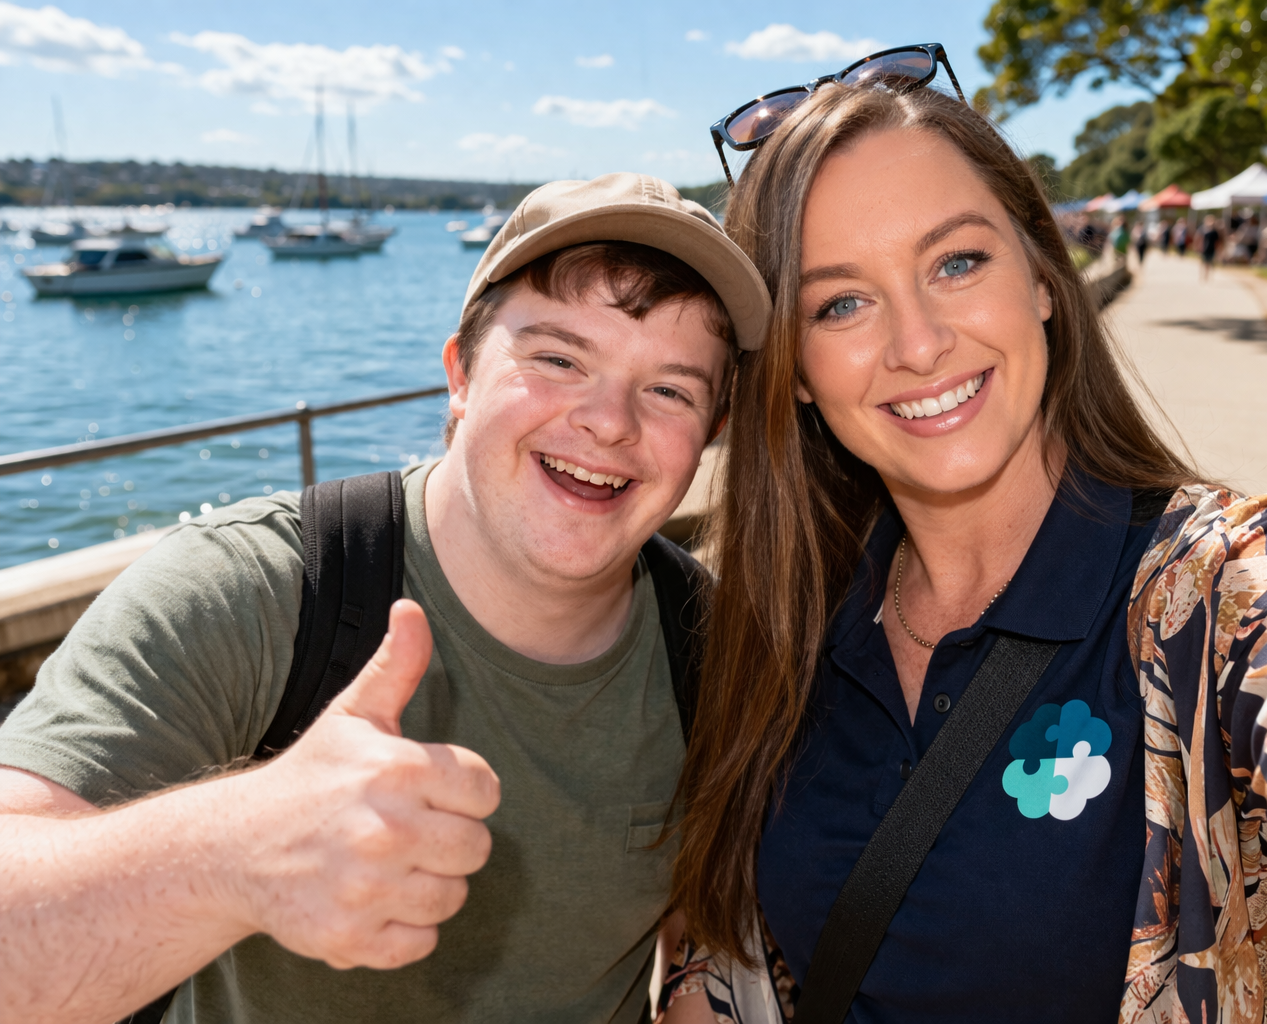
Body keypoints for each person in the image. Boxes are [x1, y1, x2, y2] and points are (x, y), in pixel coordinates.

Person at [663, 56, 1267, 1024]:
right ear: (790, 369)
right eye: (841, 303)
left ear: (1042, 275)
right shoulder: (786, 623)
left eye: (957, 262)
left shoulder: (1223, 587)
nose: (918, 343)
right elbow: (727, 949)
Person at [0, 174, 771, 1024]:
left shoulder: (710, 639)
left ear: (710, 432)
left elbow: (701, 899)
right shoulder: (253, 592)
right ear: (460, 377)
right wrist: (235, 852)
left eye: (670, 389)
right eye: (558, 358)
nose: (609, 420)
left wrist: (700, 977)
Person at [1198, 214, 1220, 279]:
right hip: (1204, 248)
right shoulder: (1203, 229)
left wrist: (1218, 249)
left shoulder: (1215, 232)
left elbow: (1217, 242)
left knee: (1210, 262)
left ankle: (1207, 274)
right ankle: (1203, 274)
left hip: (1212, 248)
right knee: (1203, 261)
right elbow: (1200, 238)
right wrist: (1199, 246)